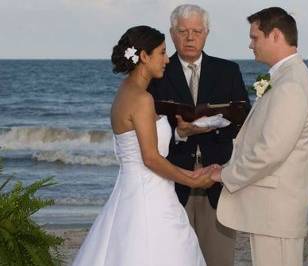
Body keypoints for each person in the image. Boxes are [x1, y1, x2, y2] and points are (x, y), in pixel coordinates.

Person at [73, 25, 213, 266]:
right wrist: (192, 179)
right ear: (144, 56)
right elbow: (150, 158)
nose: (167, 60)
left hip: (131, 191)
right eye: (161, 53)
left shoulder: (125, 91)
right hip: (149, 196)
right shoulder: (142, 98)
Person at [211, 7, 308, 266]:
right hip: (270, 212)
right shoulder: (283, 77)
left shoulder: (290, 84)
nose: (250, 44)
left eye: (255, 37)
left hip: (276, 213)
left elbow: (270, 152)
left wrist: (224, 175)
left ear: (276, 35)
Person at [148, 4, 250, 266]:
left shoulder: (228, 71)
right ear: (172, 34)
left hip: (217, 178)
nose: (190, 37)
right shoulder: (157, 75)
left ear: (206, 33)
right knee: (174, 258)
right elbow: (146, 128)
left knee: (218, 259)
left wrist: (212, 125)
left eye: (196, 31)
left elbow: (244, 120)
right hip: (172, 182)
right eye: (183, 31)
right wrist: (181, 134)